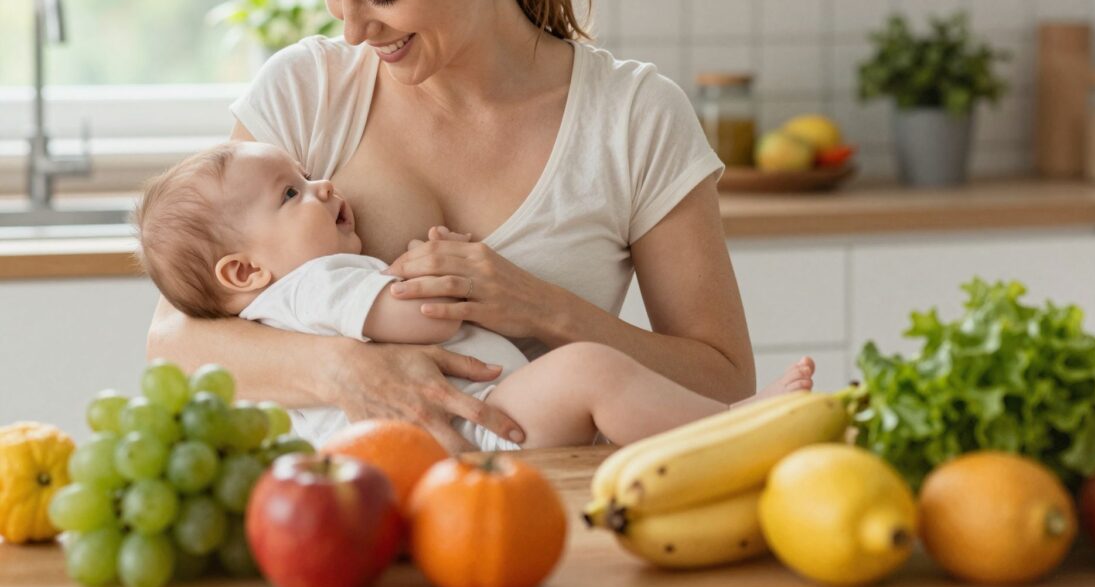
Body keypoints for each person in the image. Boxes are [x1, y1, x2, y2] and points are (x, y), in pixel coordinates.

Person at [147, 0, 815, 452]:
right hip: (351, 511)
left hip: (543, 514)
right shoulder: (307, 89)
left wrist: (543, 308)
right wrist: (349, 370)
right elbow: (174, 344)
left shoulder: (634, 119)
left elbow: (726, 386)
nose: (352, 31)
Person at [134, 139, 816, 449]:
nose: (324, 188)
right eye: (293, 194)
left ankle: (724, 432)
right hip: (476, 424)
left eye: (308, 175)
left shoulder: (296, 290)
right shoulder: (316, 285)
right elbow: (422, 322)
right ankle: (738, 428)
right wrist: (430, 275)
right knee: (589, 371)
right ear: (244, 273)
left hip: (465, 430)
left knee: (593, 382)